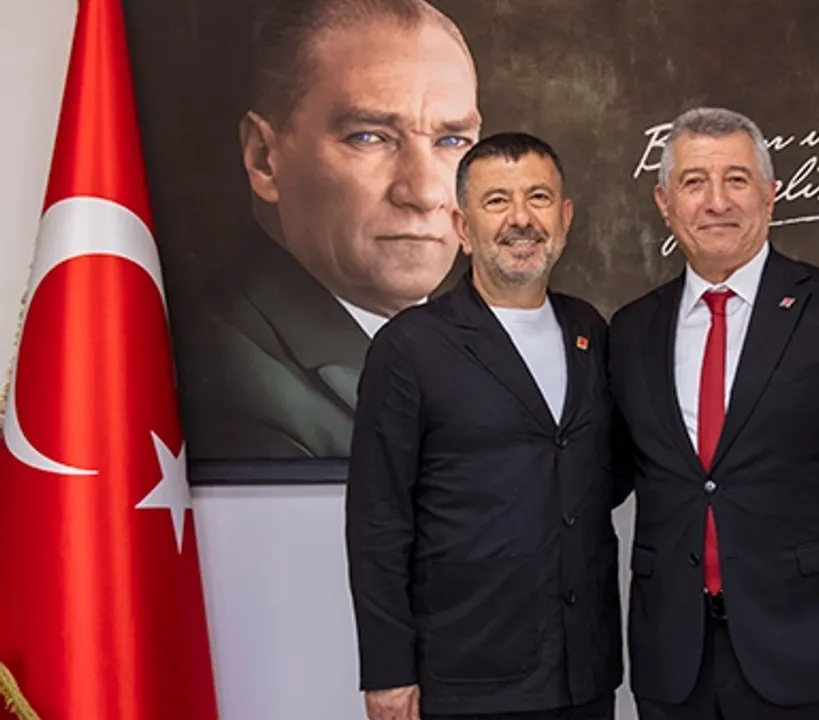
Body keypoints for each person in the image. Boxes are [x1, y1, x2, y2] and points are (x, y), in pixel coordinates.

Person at [609, 107, 819, 719]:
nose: (716, 201)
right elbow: (611, 473)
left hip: (805, 652)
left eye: (737, 179)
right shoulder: (631, 329)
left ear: (770, 195)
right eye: (694, 182)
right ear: (664, 203)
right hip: (673, 658)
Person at [345, 131, 623, 720]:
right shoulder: (410, 347)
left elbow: (600, 471)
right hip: (467, 674)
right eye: (497, 201)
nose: (521, 219)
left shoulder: (590, 331)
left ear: (565, 218)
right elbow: (378, 519)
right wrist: (388, 670)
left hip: (583, 671)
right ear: (463, 227)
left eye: (538, 198)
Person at [181, 0, 481, 459]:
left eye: (452, 141)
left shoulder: (478, 347)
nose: (425, 192)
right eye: (369, 137)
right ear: (264, 159)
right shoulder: (238, 391)